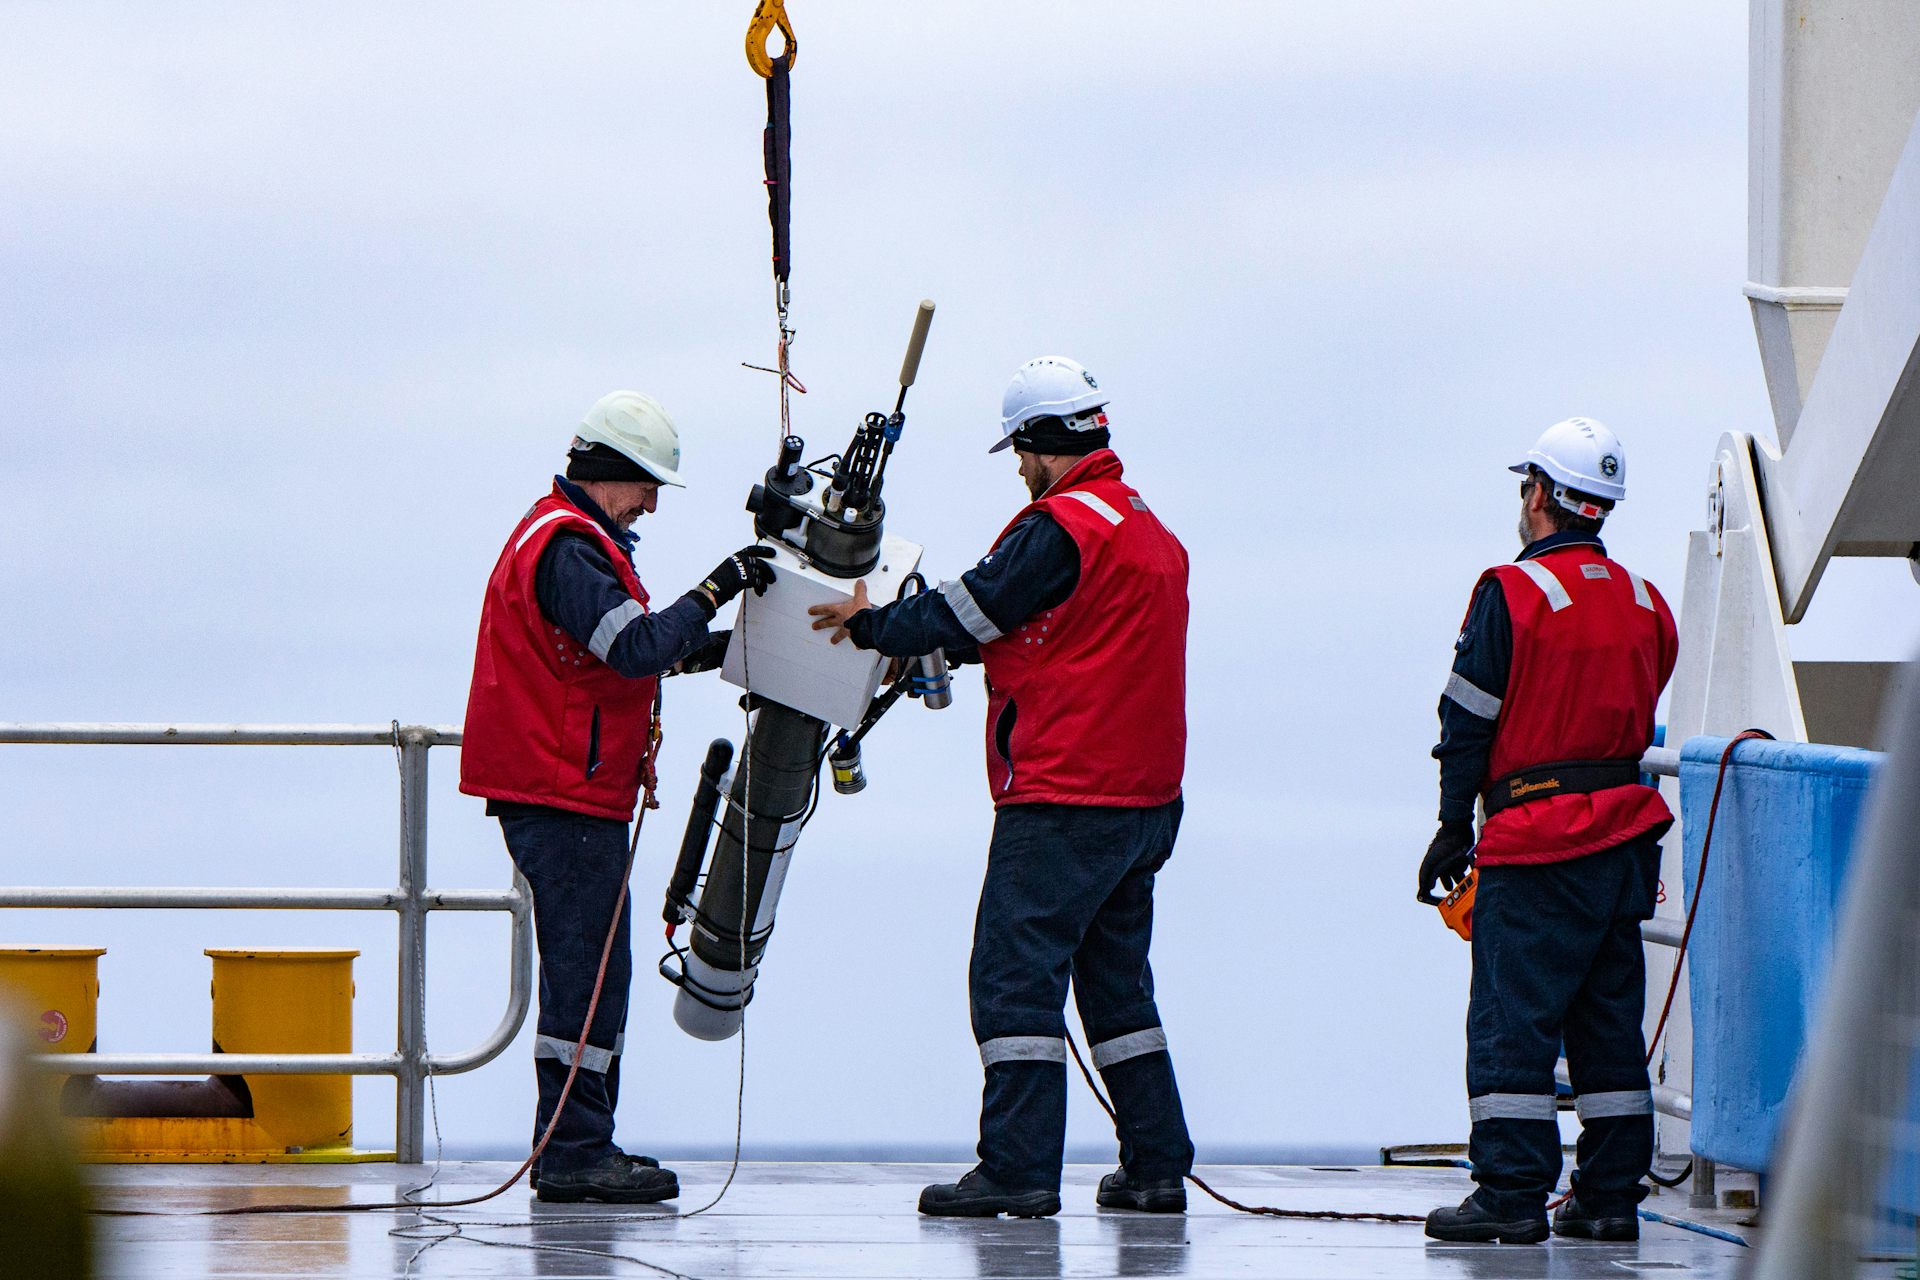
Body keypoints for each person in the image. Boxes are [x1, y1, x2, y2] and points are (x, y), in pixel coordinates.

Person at [809, 357, 1195, 1218]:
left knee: (1013, 980)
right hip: (1145, 803)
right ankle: (1157, 1166)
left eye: (1019, 452)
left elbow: (970, 606)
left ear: (1041, 442)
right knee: (1118, 989)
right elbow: (1056, 634)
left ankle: (1018, 1171)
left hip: (1063, 798)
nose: (1019, 469)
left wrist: (870, 623)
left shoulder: (1059, 526)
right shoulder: (1147, 531)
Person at [459, 390, 773, 1204]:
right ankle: (572, 1153)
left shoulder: (570, 540)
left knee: (594, 974)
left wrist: (731, 653)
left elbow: (630, 651)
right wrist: (719, 586)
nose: (652, 504)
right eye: (647, 485)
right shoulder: (569, 550)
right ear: (609, 473)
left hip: (567, 792)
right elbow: (635, 647)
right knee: (588, 978)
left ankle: (579, 1143)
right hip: (560, 795)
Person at [1419, 418, 1679, 1244]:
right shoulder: (1647, 601)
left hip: (1537, 842)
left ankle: (1509, 1193)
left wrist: (1450, 828)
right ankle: (1607, 1197)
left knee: (1512, 1020)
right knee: (1608, 1023)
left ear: (1538, 494)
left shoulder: (1511, 592)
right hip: (1625, 840)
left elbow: (1466, 721)